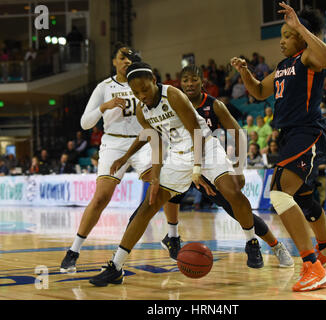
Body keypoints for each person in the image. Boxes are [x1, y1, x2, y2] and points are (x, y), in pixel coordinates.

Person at [89, 62, 266, 286]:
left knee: (232, 191)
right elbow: (154, 141)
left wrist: (197, 170)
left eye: (144, 89)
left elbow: (197, 133)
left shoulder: (172, 95)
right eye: (136, 92)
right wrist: (150, 172)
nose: (141, 95)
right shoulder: (142, 110)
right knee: (148, 205)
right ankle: (116, 266)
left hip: (205, 148)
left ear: (154, 80)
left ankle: (251, 243)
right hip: (178, 155)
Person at [231, 3, 326, 292]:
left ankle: (312, 266)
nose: (281, 40)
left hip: (307, 131)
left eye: (286, 35)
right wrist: (245, 72)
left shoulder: (309, 57)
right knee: (303, 198)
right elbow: (258, 91)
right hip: (290, 135)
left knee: (280, 194)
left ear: (300, 37)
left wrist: (300, 27)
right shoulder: (283, 66)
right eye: (281, 34)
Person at [59, 43, 177, 273]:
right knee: (101, 198)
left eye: (130, 59)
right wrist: (105, 106)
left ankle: (173, 236)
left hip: (142, 142)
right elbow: (85, 123)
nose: (126, 61)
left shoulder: (143, 83)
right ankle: (73, 250)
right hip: (113, 143)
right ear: (113, 61)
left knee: (166, 183)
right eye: (122, 58)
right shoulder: (104, 87)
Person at [162, 64, 293, 267]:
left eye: (193, 79)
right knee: (167, 189)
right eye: (185, 80)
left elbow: (238, 133)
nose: (189, 83)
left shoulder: (214, 105)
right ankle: (172, 236)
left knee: (237, 207)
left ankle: (274, 246)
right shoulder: (173, 105)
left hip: (210, 163)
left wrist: (240, 169)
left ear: (202, 82)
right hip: (185, 161)